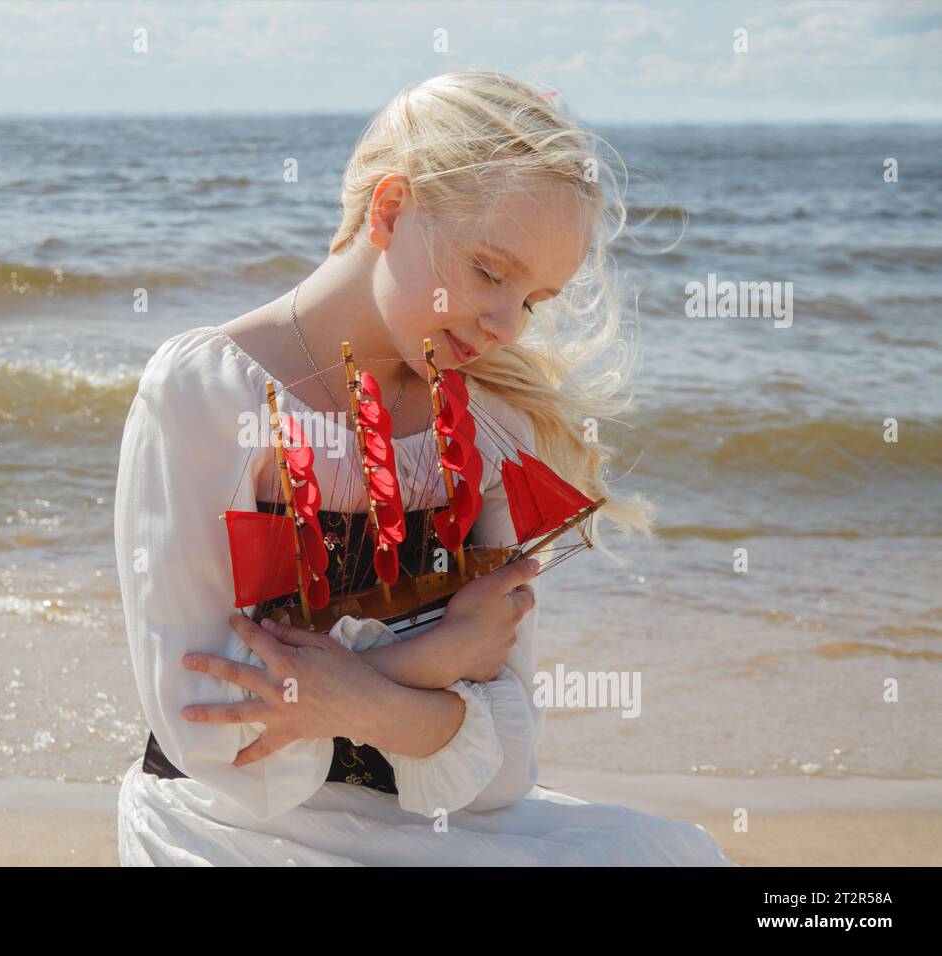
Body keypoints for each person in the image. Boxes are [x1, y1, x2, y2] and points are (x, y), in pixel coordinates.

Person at [113, 69, 734, 866]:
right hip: (232, 826)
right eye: (489, 271)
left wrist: (348, 695)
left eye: (535, 299)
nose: (508, 325)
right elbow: (220, 739)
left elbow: (504, 767)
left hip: (426, 827)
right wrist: (430, 665)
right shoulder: (205, 394)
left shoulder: (492, 427)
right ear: (391, 209)